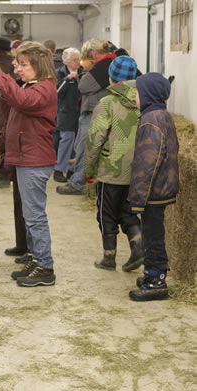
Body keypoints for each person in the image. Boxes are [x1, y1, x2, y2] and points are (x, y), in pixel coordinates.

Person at [0, 42, 58, 287]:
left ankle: (45, 267)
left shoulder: (44, 89)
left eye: (23, 65)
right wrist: (2, 91)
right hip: (26, 157)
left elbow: (23, 101)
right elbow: (15, 106)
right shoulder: (31, 86)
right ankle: (36, 258)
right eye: (17, 65)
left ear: (38, 65)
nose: (18, 69)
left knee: (35, 215)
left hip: (34, 159)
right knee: (29, 215)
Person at [83, 56, 144, 272]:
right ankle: (138, 247)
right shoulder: (143, 101)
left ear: (110, 78)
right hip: (136, 170)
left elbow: (95, 139)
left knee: (106, 213)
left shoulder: (107, 103)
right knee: (128, 211)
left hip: (110, 170)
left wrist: (88, 169)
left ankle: (109, 257)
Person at [128, 73, 179, 302]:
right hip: (161, 187)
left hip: (153, 191)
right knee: (154, 232)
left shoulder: (151, 120)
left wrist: (138, 197)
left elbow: (147, 163)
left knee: (152, 235)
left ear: (148, 94)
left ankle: (156, 281)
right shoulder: (162, 115)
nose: (134, 96)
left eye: (137, 92)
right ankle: (153, 273)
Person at [57, 38, 116, 195]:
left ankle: (78, 183)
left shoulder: (104, 65)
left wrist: (83, 77)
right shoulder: (113, 63)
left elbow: (84, 86)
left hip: (93, 112)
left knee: (84, 146)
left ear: (95, 53)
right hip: (103, 111)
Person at [54, 47, 84, 183]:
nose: (78, 62)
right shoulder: (59, 74)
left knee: (77, 144)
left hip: (80, 114)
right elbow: (56, 93)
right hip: (65, 113)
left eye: (78, 59)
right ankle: (59, 170)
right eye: (74, 60)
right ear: (66, 62)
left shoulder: (83, 72)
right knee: (66, 141)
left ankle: (72, 171)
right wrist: (67, 79)